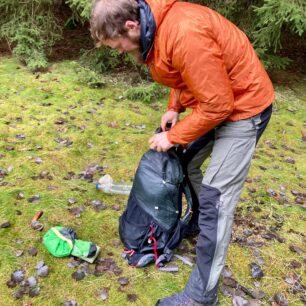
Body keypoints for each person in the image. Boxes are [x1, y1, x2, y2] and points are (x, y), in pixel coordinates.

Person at [90, 0, 274, 305]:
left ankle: (201, 295)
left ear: (131, 26)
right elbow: (183, 71)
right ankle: (200, 221)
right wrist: (175, 108)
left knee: (218, 198)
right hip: (217, 103)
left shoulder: (185, 31)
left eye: (117, 44)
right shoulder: (157, 27)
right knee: (186, 163)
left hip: (245, 108)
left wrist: (173, 137)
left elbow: (219, 104)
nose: (118, 51)